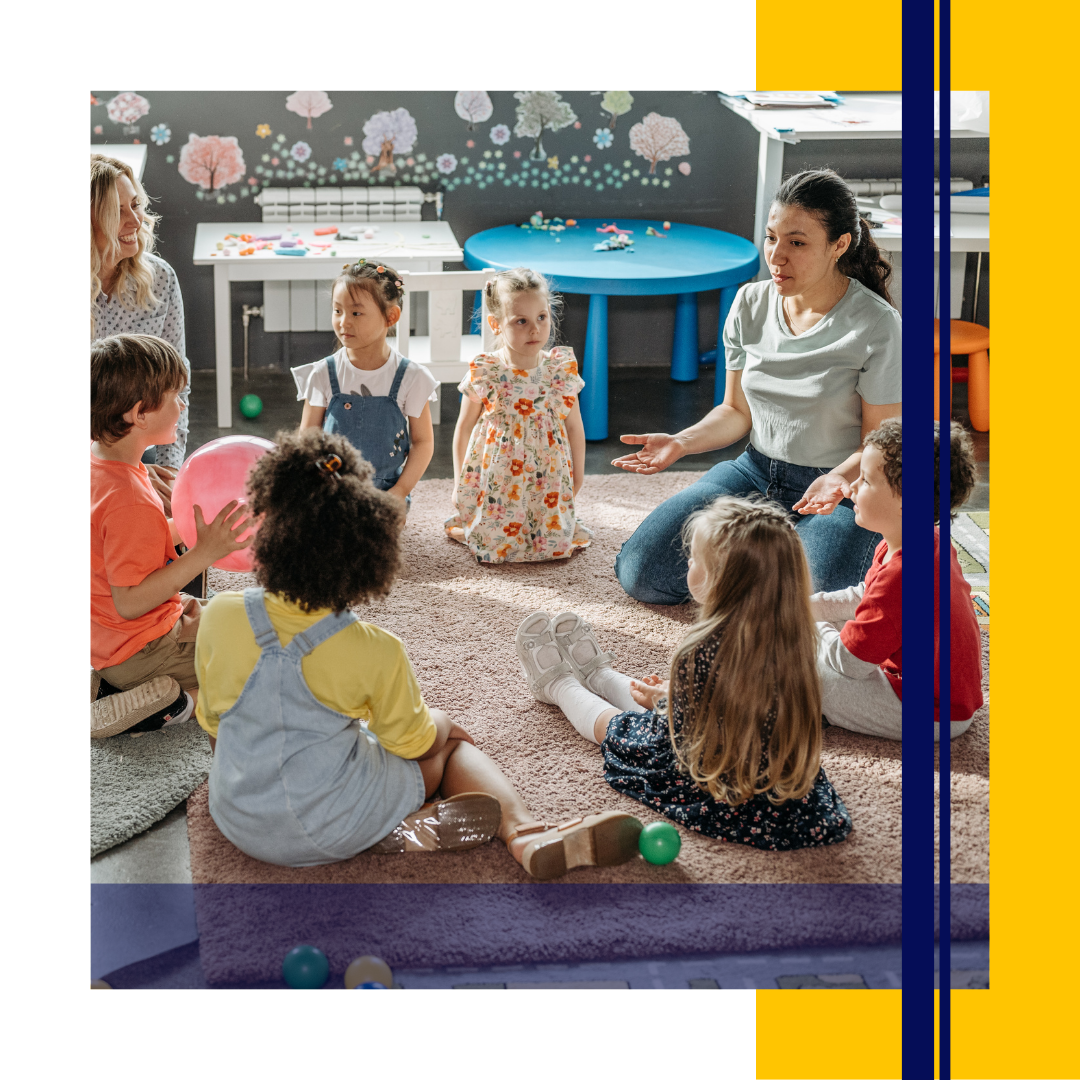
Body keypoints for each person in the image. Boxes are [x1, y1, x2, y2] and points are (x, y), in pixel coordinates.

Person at [195, 428, 643, 877]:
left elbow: (216, 726)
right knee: (449, 749)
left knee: (329, 738)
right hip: (333, 824)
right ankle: (525, 833)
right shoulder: (375, 649)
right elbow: (414, 743)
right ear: (368, 555)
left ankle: (390, 827)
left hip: (239, 818)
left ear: (265, 530)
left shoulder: (219, 615)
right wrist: (444, 724)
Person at [612, 168, 902, 601]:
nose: (776, 257)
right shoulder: (749, 303)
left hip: (839, 488)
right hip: (756, 470)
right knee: (642, 572)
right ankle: (765, 566)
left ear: (839, 245)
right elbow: (735, 411)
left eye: (797, 243)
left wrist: (837, 479)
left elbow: (877, 444)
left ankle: (765, 569)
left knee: (806, 602)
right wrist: (681, 442)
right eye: (771, 238)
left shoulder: (877, 325)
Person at [515, 496, 853, 850]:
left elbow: (688, 727)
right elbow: (736, 702)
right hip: (781, 785)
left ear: (719, 580)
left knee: (620, 728)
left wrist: (666, 702)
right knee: (652, 706)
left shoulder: (705, 649)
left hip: (722, 781)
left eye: (694, 559)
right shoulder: (799, 636)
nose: (688, 562)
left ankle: (559, 686)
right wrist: (673, 696)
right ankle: (599, 675)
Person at [90, 335, 252, 737]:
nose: (182, 406)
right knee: (262, 664)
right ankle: (176, 703)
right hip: (144, 646)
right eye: (174, 396)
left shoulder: (103, 465)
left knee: (242, 615)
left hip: (115, 639)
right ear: (139, 414)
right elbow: (130, 602)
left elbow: (126, 545)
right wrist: (203, 554)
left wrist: (188, 529)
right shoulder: (128, 498)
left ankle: (113, 685)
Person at [445, 267, 591, 563]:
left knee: (550, 542)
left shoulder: (559, 371)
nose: (534, 329)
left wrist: (578, 476)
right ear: (496, 324)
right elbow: (464, 428)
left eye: (541, 317)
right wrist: (461, 482)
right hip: (499, 479)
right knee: (493, 542)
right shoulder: (486, 371)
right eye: (521, 321)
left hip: (547, 477)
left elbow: (575, 427)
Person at [91, 154, 190, 515]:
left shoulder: (160, 279)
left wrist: (171, 471)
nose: (135, 221)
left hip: (139, 448)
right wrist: (118, 471)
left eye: (135, 205)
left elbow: (176, 384)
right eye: (117, 212)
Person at [292, 260, 435, 508]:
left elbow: (423, 442)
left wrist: (400, 491)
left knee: (376, 529)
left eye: (356, 313)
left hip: (386, 494)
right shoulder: (323, 373)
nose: (344, 322)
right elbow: (307, 438)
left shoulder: (412, 377)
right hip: (331, 490)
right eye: (338, 311)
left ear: (391, 316)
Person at [810, 419, 903, 739]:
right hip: (914, 681)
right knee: (826, 624)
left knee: (805, 676)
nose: (850, 488)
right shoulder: (904, 543)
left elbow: (848, 663)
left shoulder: (901, 577)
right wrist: (803, 606)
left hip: (929, 711)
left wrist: (811, 625)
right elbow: (864, 596)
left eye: (865, 480)